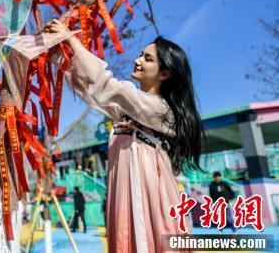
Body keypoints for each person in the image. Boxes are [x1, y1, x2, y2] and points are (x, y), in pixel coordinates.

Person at [45, 19, 205, 252]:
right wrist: (56, 55)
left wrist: (71, 39)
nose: (137, 60)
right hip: (124, 190)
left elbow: (109, 87)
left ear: (165, 73)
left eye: (148, 59)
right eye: (141, 55)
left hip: (149, 192)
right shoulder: (128, 109)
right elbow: (93, 90)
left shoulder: (162, 111)